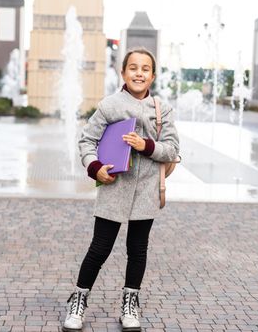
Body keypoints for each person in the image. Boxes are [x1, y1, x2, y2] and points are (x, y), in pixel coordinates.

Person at [62, 48, 180, 332]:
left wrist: (146, 146)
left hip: (146, 189)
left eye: (145, 69)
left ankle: (130, 304)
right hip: (114, 187)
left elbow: (173, 149)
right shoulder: (110, 105)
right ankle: (78, 300)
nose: (139, 73)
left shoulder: (162, 110)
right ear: (123, 72)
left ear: (152, 75)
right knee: (100, 248)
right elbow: (86, 141)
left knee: (137, 250)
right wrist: (95, 168)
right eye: (133, 68)